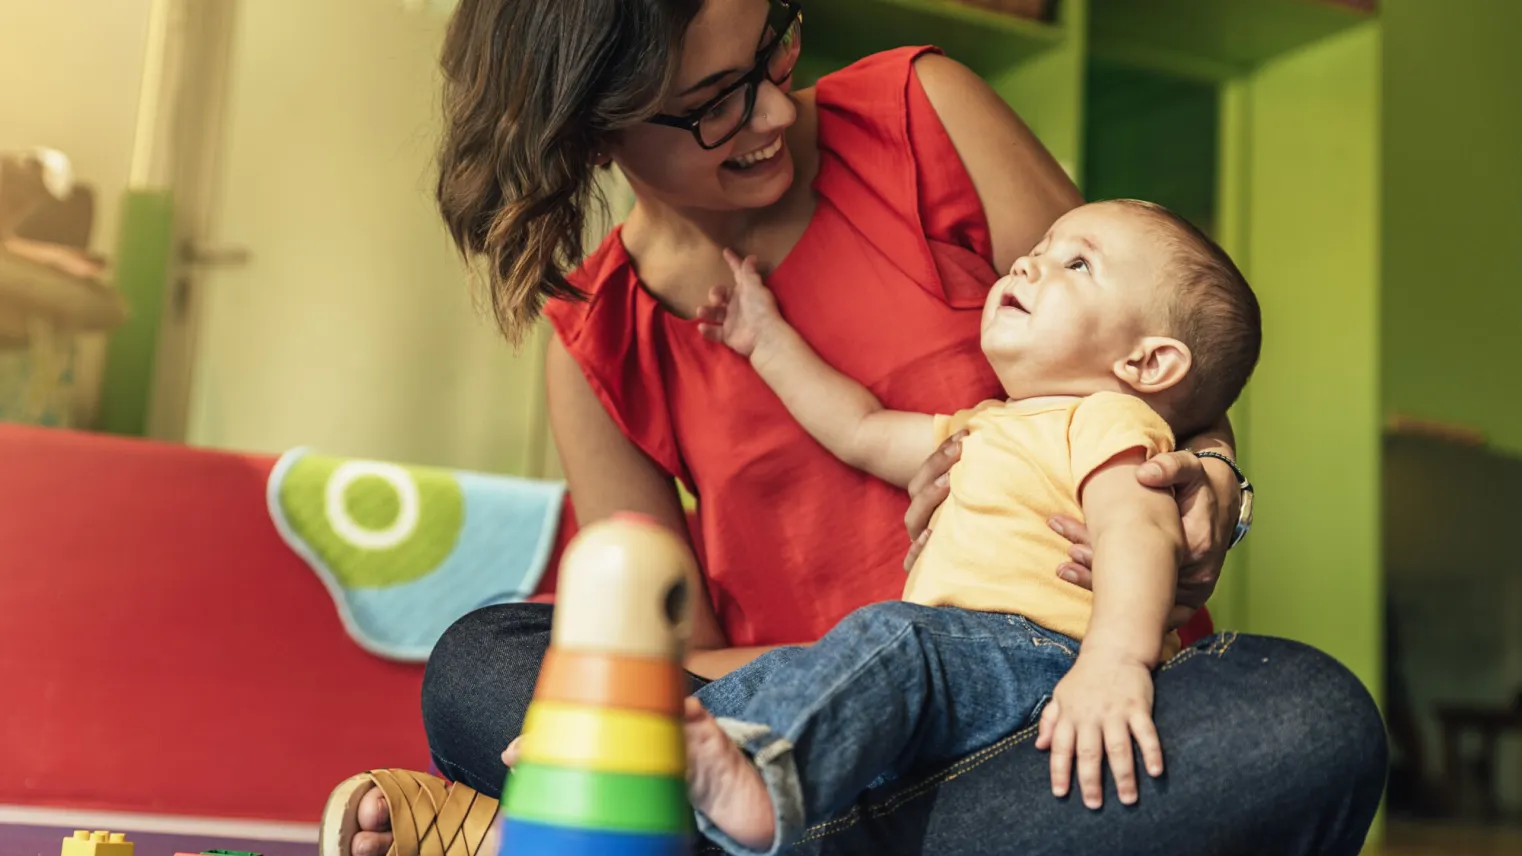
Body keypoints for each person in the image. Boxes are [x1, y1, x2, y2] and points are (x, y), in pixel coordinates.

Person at [319, 1, 1388, 855]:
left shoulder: (925, 112)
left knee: (1310, 721)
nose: (774, 112)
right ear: (592, 136)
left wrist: (1211, 482)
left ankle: (633, 838)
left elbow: (1156, 345)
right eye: (714, 103)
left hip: (1062, 709)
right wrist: (863, 687)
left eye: (771, 50)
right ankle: (759, 807)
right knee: (482, 660)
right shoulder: (599, 343)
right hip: (793, 717)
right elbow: (666, 657)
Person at [678, 198, 1260, 854]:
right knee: (803, 667)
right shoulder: (984, 425)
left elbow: (1139, 532)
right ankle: (636, 751)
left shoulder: (1111, 421)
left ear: (1146, 364)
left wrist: (1115, 660)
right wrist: (764, 339)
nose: (1028, 263)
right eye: (1038, 247)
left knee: (891, 639)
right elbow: (858, 429)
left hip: (1053, 661)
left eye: (1075, 262)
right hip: (963, 667)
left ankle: (760, 784)